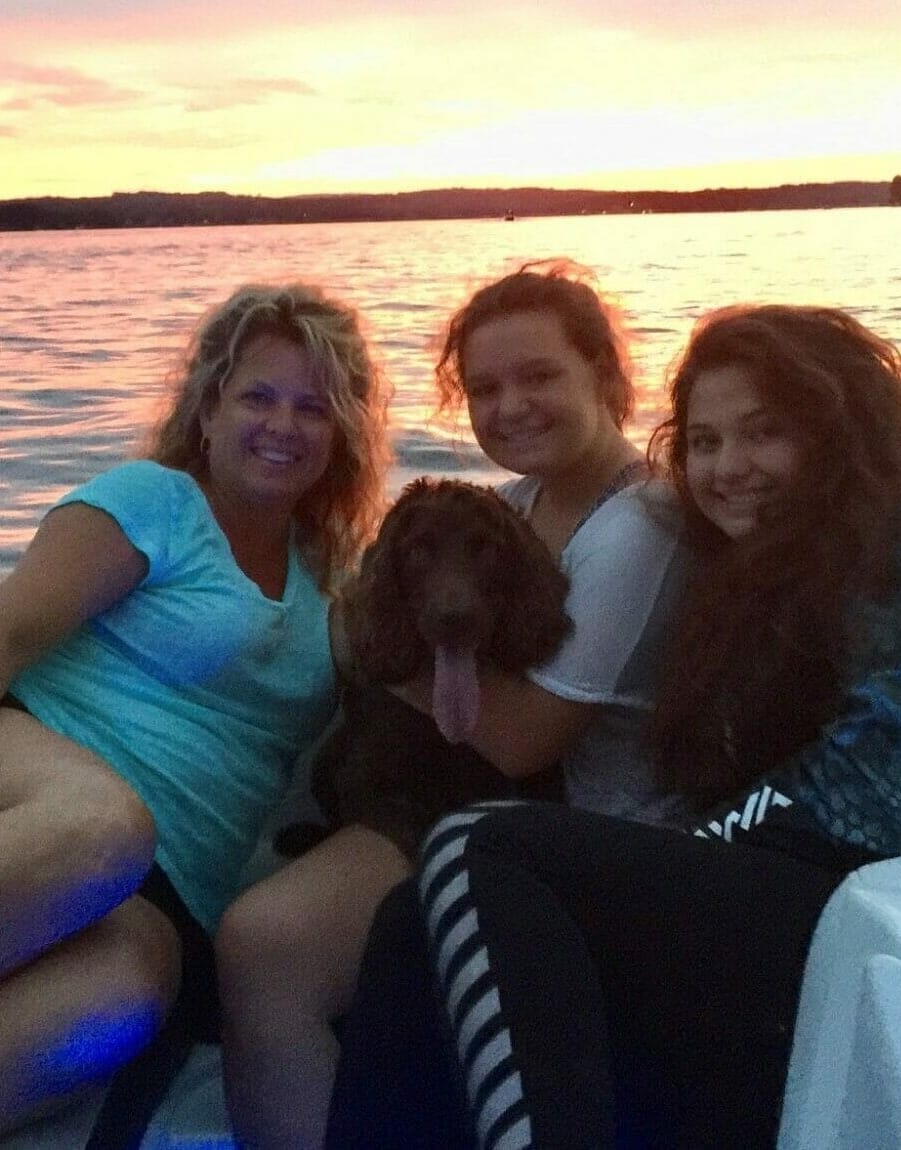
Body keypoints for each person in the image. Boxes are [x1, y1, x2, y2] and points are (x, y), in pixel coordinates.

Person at [323, 303, 901, 1149]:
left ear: (840, 431)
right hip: (805, 896)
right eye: (704, 442)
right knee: (412, 921)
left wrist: (689, 854)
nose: (730, 467)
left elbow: (877, 800)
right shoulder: (753, 583)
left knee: (483, 848)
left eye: (764, 434)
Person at [0, 282, 390, 1150]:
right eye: (257, 397)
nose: (284, 425)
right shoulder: (155, 501)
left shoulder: (335, 576)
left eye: (314, 408)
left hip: (154, 889)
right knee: (100, 824)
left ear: (341, 433)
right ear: (207, 409)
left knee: (128, 995)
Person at [216, 263, 688, 1150]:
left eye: (540, 376)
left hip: (600, 836)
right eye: (484, 388)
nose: (510, 406)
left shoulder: (640, 525)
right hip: (479, 806)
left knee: (262, 944)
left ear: (606, 375)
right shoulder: (518, 504)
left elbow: (513, 740)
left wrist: (372, 629)